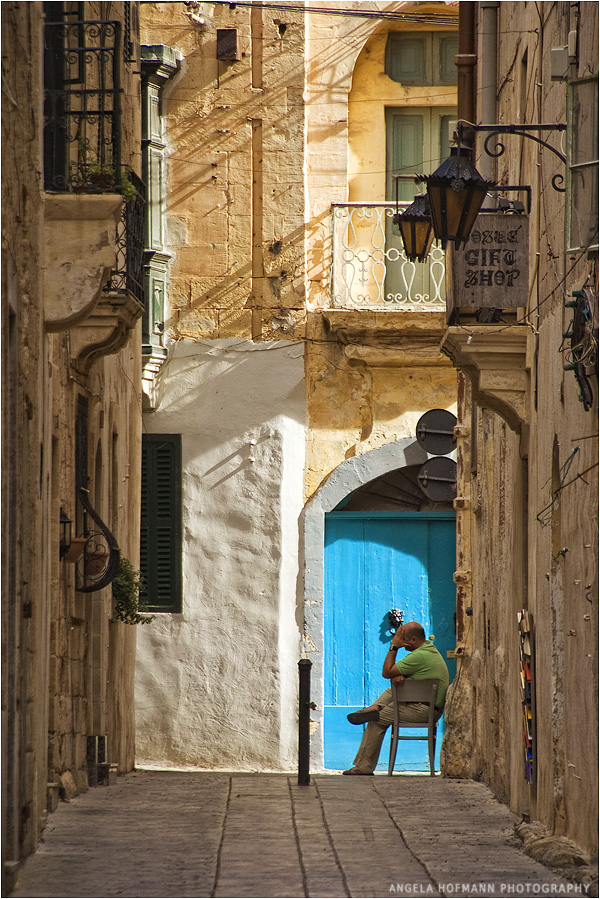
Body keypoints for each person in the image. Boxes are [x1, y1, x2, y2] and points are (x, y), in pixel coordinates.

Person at [342, 621, 449, 776]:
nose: (401, 643)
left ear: (413, 639)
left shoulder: (418, 656)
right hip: (430, 708)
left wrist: (393, 647)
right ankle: (375, 707)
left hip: (421, 710)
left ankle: (364, 766)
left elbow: (386, 672)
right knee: (394, 688)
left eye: (403, 639)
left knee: (376, 720)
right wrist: (399, 675)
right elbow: (395, 675)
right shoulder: (429, 651)